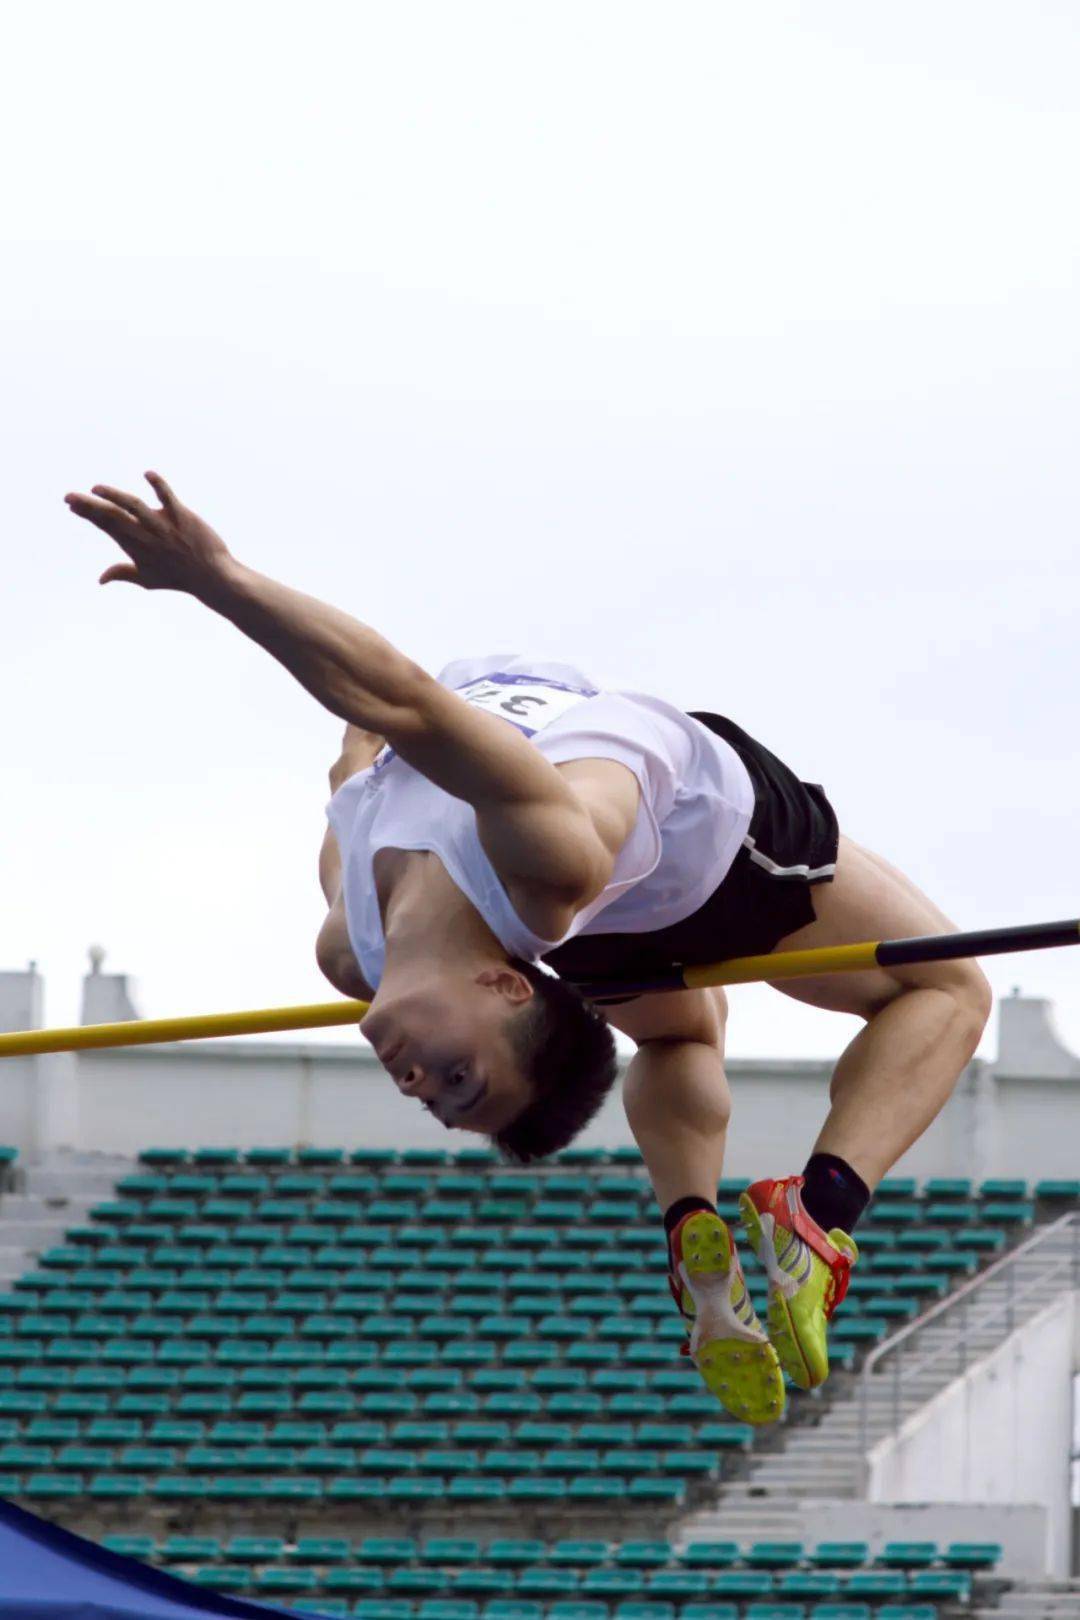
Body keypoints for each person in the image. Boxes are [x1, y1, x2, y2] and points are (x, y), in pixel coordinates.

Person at [65, 474, 993, 1423]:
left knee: (681, 1035)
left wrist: (352, 713)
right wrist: (219, 578)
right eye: (458, 1078)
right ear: (510, 989)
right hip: (717, 849)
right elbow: (401, 699)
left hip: (601, 922)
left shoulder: (350, 947)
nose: (417, 1086)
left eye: (436, 1098)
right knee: (950, 988)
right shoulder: (536, 860)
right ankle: (820, 1213)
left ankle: (688, 1224)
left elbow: (354, 755)